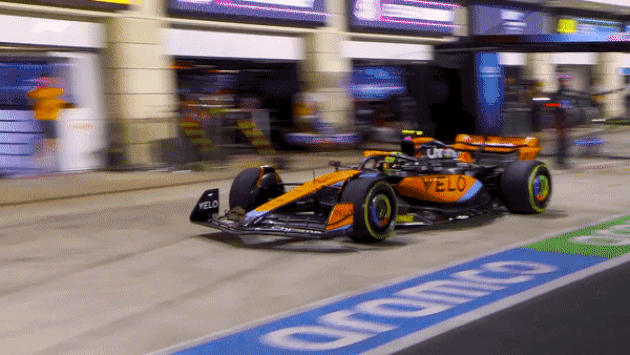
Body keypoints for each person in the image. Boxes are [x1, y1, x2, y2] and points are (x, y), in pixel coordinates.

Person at [27, 77, 73, 172]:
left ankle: (43, 158)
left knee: (48, 138)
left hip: (42, 118)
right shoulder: (54, 92)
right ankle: (46, 158)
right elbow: (63, 98)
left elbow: (30, 96)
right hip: (50, 118)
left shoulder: (39, 92)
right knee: (51, 139)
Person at [552, 77, 571, 169]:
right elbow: (554, 105)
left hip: (565, 120)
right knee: (562, 142)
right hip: (560, 121)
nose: (565, 83)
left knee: (564, 142)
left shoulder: (566, 93)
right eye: (564, 81)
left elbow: (569, 105)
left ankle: (562, 161)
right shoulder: (559, 94)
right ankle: (560, 161)